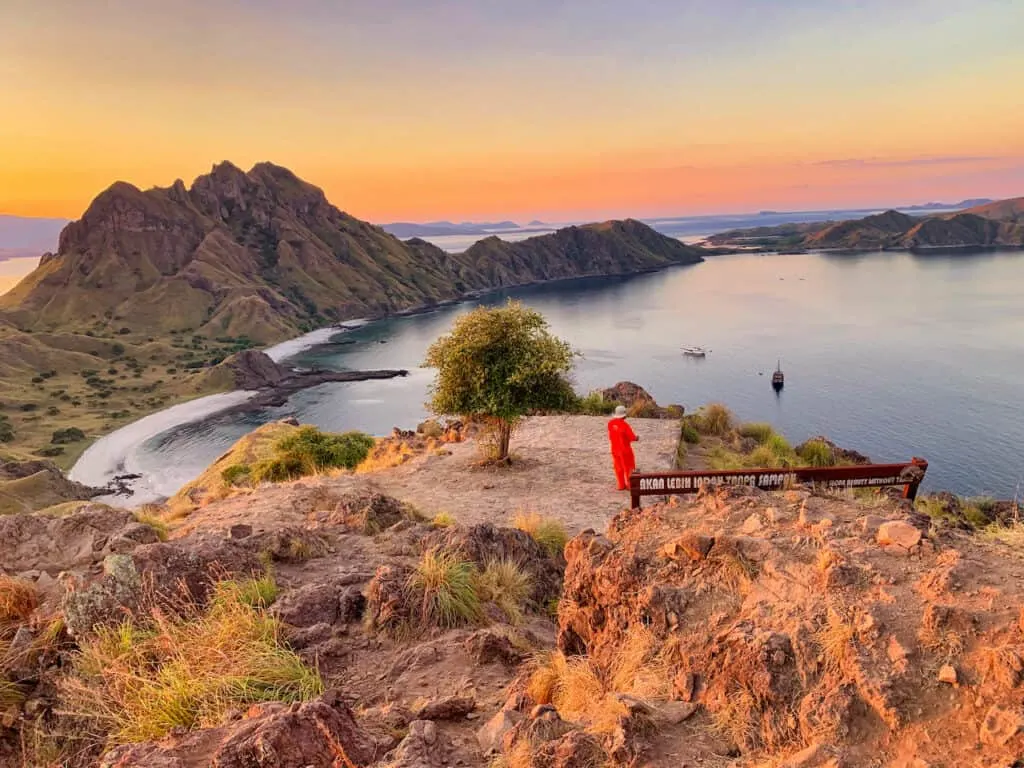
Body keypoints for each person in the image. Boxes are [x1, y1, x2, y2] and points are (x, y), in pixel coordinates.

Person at [607, 405, 639, 491]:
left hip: (614, 449)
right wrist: (636, 438)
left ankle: (621, 485)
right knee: (629, 467)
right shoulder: (625, 425)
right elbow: (631, 437)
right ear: (624, 415)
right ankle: (629, 485)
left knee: (618, 467)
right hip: (625, 450)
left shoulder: (610, 423)